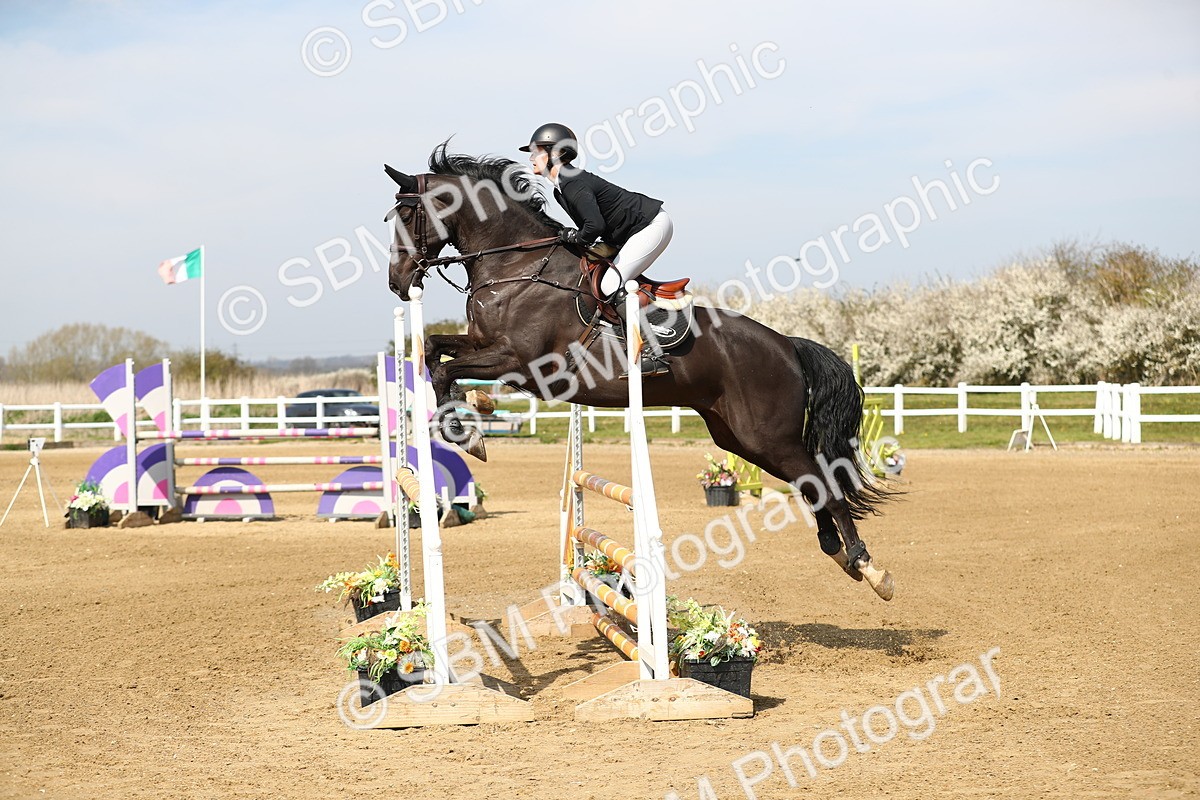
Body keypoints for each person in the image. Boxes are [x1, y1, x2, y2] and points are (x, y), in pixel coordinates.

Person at [520, 122, 673, 377]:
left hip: (650, 226)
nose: (531, 157)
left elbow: (593, 226)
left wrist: (575, 235)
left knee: (610, 284)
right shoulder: (562, 188)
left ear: (556, 153)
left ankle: (653, 353)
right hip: (626, 233)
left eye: (537, 151)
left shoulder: (572, 183)